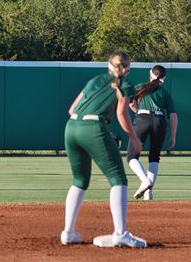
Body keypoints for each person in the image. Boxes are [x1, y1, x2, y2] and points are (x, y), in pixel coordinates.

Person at [61, 51, 147, 248]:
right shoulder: (125, 84)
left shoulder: (94, 80)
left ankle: (68, 232)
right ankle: (121, 234)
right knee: (118, 179)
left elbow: (72, 109)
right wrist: (134, 138)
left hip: (71, 128)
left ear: (108, 65)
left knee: (80, 181)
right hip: (93, 128)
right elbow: (121, 114)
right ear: (128, 68)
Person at [127, 65, 178, 200]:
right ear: (164, 79)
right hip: (159, 121)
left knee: (132, 156)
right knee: (154, 156)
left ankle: (145, 181)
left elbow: (131, 104)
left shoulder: (140, 86)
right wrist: (173, 136)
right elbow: (173, 116)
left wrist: (138, 113)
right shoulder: (165, 93)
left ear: (150, 75)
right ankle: (148, 193)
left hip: (142, 118)